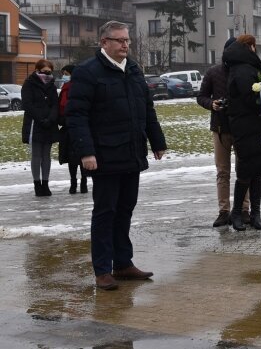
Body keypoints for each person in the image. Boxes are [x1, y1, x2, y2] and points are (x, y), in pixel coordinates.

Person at [66, 21, 167, 290]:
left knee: (125, 210)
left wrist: (157, 141)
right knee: (105, 212)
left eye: (127, 40)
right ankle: (102, 269)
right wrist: (86, 152)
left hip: (131, 152)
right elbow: (76, 115)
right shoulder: (88, 72)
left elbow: (147, 108)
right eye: (119, 40)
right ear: (104, 43)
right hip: (104, 155)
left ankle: (123, 264)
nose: (125, 45)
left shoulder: (133, 70)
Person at [222, 34, 261, 231]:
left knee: (258, 169)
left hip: (256, 126)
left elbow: (259, 92)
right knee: (245, 170)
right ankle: (236, 213)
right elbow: (250, 99)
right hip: (246, 126)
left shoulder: (247, 67)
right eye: (253, 46)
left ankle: (255, 213)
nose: (255, 49)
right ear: (248, 46)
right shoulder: (241, 69)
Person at [196, 37, 249, 227]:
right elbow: (200, 96)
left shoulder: (245, 72)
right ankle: (224, 210)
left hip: (242, 128)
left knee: (244, 170)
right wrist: (212, 104)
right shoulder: (213, 72)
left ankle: (244, 209)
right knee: (222, 171)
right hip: (220, 128)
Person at [22, 59, 59, 197]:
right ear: (37, 70)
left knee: (46, 155)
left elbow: (55, 104)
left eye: (49, 71)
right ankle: (37, 184)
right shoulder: (29, 83)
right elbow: (27, 104)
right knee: (36, 155)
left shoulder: (52, 85)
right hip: (35, 123)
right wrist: (40, 118)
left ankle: (46, 183)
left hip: (49, 124)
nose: (47, 74)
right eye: (44, 71)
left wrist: (51, 118)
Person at [57, 64, 88, 194]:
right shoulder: (64, 88)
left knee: (82, 156)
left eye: (66, 74)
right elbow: (60, 107)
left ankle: (84, 182)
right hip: (67, 127)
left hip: (81, 126)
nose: (64, 76)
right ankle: (73, 182)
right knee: (71, 157)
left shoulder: (81, 87)